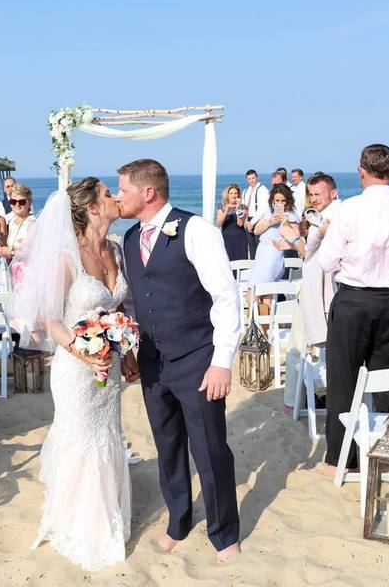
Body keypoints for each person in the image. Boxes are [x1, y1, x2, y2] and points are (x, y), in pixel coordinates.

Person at [116, 158, 242, 563]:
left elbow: (225, 297)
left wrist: (221, 361)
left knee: (209, 449)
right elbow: (136, 302)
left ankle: (225, 533)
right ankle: (179, 520)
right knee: (168, 444)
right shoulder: (130, 238)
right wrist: (132, 352)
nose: (118, 198)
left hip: (197, 358)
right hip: (153, 363)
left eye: (122, 191)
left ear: (147, 192)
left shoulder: (196, 230)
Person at [6, 176, 130, 571]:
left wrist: (125, 348)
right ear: (92, 208)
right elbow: (52, 320)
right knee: (82, 439)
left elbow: (119, 311)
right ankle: (79, 522)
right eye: (109, 194)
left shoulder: (115, 249)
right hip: (77, 371)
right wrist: (82, 351)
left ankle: (109, 513)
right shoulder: (66, 257)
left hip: (108, 370)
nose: (115, 198)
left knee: (108, 434)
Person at [315, 144, 389, 477]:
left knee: (344, 379)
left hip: (356, 299)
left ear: (362, 171)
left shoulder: (351, 208)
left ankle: (340, 459)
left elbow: (328, 261)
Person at [278, 173, 340, 410]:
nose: (313, 199)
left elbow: (310, 254)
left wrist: (293, 238)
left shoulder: (331, 218)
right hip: (325, 289)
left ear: (333, 193)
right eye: (311, 194)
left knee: (298, 345)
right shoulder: (330, 214)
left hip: (318, 290)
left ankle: (291, 402)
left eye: (318, 194)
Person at [249, 184, 296, 289]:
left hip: (273, 255)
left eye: (283, 201)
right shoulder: (269, 212)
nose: (279, 204)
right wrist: (269, 223)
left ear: (288, 200)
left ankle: (264, 306)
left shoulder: (291, 215)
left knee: (262, 291)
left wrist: (286, 222)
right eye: (277, 201)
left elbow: (296, 237)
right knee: (253, 290)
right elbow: (256, 231)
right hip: (261, 253)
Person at [0, 183, 35, 262]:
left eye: (22, 202)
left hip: (27, 270)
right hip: (13, 270)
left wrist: (11, 253)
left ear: (29, 203)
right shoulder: (11, 221)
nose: (17, 204)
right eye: (13, 201)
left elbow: (35, 252)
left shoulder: (32, 223)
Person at [215, 183, 248, 261]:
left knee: (241, 262)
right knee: (227, 261)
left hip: (240, 238)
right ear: (228, 194)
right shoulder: (221, 206)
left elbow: (240, 223)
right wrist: (226, 210)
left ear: (238, 195)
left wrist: (238, 207)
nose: (233, 196)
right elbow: (219, 224)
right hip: (226, 237)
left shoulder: (243, 207)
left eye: (236, 193)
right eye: (231, 193)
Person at [241, 169, 269, 259]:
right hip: (248, 220)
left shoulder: (263, 189)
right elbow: (243, 207)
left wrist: (252, 223)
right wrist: (245, 221)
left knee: (260, 246)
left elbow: (262, 209)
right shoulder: (246, 191)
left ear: (257, 177)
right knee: (251, 247)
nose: (251, 180)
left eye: (253, 178)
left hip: (258, 220)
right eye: (249, 179)